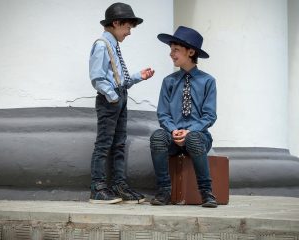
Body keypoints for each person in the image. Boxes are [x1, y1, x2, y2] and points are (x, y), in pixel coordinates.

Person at [89, 2, 155, 204]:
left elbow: (118, 77)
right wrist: (113, 96)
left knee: (118, 144)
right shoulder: (101, 45)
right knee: (104, 144)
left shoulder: (114, 46)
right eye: (127, 27)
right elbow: (97, 78)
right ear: (116, 23)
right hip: (111, 100)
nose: (129, 33)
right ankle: (98, 188)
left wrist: (137, 76)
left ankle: (118, 184)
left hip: (119, 96)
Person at [150, 26, 218, 208]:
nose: (171, 54)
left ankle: (206, 193)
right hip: (173, 136)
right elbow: (162, 113)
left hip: (198, 136)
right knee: (157, 137)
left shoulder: (208, 81)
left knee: (194, 139)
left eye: (175, 50)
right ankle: (164, 191)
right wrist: (173, 131)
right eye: (170, 50)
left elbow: (210, 115)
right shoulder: (169, 81)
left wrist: (189, 132)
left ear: (191, 52)